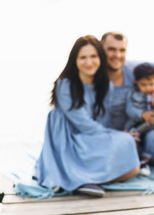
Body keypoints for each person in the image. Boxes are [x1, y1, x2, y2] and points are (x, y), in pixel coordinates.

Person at [34, 35, 140, 198]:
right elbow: (82, 123)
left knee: (133, 164)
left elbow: (102, 122)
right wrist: (114, 135)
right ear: (75, 60)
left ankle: (88, 179)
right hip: (67, 138)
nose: (89, 62)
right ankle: (78, 181)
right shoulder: (66, 84)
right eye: (83, 57)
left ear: (100, 58)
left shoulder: (105, 86)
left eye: (93, 56)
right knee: (123, 141)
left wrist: (115, 137)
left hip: (90, 137)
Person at [101, 32, 154, 131]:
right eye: (111, 49)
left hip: (138, 130)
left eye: (122, 50)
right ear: (101, 50)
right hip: (110, 135)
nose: (117, 55)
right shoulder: (93, 76)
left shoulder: (132, 68)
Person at [125, 63, 154, 176]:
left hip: (153, 128)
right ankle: (132, 161)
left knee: (153, 136)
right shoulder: (133, 93)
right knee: (131, 137)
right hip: (136, 125)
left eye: (151, 84)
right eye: (143, 85)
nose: (148, 88)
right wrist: (142, 114)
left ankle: (144, 161)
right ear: (136, 83)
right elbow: (129, 109)